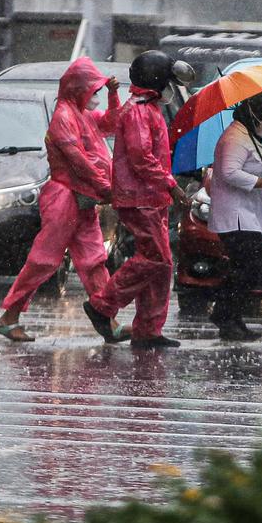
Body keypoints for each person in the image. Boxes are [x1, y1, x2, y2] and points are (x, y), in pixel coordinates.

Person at [0, 57, 125, 343]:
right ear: (79, 89)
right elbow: (78, 160)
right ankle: (10, 317)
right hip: (64, 197)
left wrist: (115, 95)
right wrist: (105, 186)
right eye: (93, 91)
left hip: (84, 198)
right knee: (44, 260)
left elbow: (112, 124)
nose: (96, 97)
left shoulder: (81, 114)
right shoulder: (63, 118)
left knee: (93, 260)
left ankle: (108, 319)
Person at [84, 51, 190, 349]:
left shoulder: (151, 108)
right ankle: (102, 305)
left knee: (163, 264)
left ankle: (148, 329)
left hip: (153, 197)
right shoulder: (138, 111)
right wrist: (173, 187)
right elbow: (141, 158)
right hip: (139, 198)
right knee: (156, 258)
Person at [207, 94, 262, 341]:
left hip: (247, 213)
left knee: (248, 266)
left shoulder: (250, 137)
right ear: (255, 116)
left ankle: (232, 315)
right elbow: (228, 173)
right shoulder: (234, 139)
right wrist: (261, 182)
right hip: (235, 215)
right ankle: (224, 312)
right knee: (249, 264)